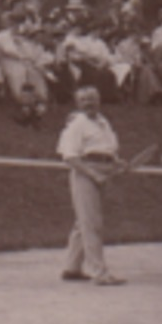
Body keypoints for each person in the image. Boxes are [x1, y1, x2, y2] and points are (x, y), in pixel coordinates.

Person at [57, 85, 125, 285]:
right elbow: (70, 157)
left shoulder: (104, 123)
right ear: (77, 104)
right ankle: (99, 273)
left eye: (92, 99)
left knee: (83, 221)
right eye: (84, 100)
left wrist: (116, 162)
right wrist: (93, 173)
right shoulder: (77, 125)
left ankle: (71, 268)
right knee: (92, 223)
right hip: (84, 172)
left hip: (102, 169)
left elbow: (107, 149)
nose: (89, 103)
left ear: (99, 100)